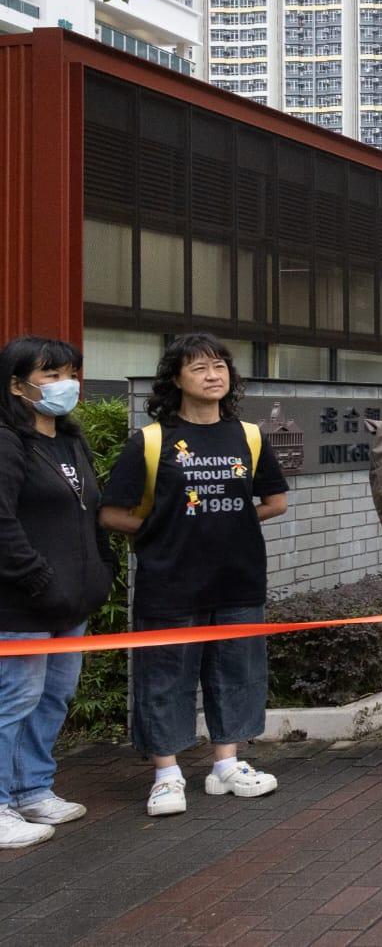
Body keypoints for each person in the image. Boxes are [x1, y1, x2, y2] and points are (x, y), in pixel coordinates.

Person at [100, 334, 291, 808]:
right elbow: (111, 514)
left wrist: (228, 519)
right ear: (176, 379)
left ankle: (226, 764)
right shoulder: (151, 440)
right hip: (170, 581)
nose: (213, 375)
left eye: (220, 366)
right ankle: (167, 775)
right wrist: (162, 529)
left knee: (238, 673)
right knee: (165, 676)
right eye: (199, 368)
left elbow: (275, 502)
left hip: (238, 578)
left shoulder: (248, 435)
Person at [0, 337, 113, 847]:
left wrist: (102, 570)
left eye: (70, 373)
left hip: (72, 603)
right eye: (51, 375)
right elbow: (3, 524)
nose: (66, 385)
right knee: (13, 700)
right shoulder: (8, 442)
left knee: (52, 697)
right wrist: (38, 580)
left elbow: (89, 513)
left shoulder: (69, 441)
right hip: (21, 605)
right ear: (16, 385)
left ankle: (32, 788)